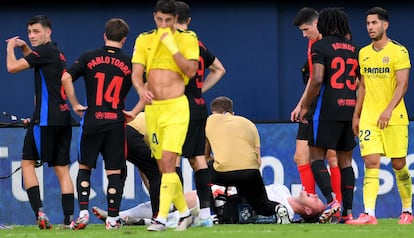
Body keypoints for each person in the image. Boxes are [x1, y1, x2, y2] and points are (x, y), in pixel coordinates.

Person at [61, 18, 139, 230]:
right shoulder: (130, 63)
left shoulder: (89, 57)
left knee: (85, 167)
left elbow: (66, 77)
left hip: (93, 120)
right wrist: (134, 111)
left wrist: (75, 103)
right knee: (114, 172)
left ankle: (84, 212)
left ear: (104, 36)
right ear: (124, 39)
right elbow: (147, 88)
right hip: (115, 122)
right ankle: (112, 218)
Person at [131, 0, 199, 232]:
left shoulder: (186, 38)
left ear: (174, 19)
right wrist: (140, 90)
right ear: (154, 17)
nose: (163, 24)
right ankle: (184, 212)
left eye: (168, 20)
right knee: (163, 167)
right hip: (153, 111)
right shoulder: (144, 39)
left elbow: (191, 70)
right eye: (159, 19)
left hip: (176, 108)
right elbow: (136, 73)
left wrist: (172, 47)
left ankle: (160, 217)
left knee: (170, 161)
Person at [5, 15, 75, 229]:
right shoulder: (55, 52)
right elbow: (37, 63)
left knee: (27, 164)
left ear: (48, 31)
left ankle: (40, 213)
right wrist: (26, 47)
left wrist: (10, 48)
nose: (32, 36)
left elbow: (13, 67)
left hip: (45, 120)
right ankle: (68, 220)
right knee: (62, 169)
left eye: (36, 31)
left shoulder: (44, 52)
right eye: (29, 32)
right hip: (63, 118)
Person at [347, 7, 413, 225]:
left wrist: (388, 109)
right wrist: (356, 115)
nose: (370, 27)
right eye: (367, 24)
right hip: (369, 117)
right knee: (371, 162)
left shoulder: (399, 52)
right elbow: (363, 87)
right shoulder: (363, 53)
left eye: (374, 23)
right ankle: (368, 213)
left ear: (385, 25)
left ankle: (407, 211)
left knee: (398, 164)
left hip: (394, 117)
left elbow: (403, 84)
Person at [298, 7, 358, 224]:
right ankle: (348, 213)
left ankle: (333, 201)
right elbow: (359, 84)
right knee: (345, 161)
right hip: (349, 107)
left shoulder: (320, 46)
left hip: (326, 109)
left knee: (315, 156)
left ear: (324, 23)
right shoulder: (353, 48)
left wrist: (305, 106)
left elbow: (316, 79)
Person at [173, 1, 226, 228]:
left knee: (173, 157)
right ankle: (205, 213)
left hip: (177, 106)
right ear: (189, 20)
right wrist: (200, 90)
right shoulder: (199, 44)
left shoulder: (173, 44)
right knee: (198, 158)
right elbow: (220, 69)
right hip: (197, 106)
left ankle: (181, 212)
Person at [205, 96, 291, 224]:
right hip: (251, 172)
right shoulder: (248, 123)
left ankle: (212, 215)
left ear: (213, 112)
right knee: (262, 204)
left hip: (223, 173)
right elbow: (258, 160)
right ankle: (278, 208)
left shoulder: (209, 121)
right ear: (232, 113)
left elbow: (204, 157)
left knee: (201, 173)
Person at [92, 182, 326, 226]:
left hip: (225, 207)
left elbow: (252, 206)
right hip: (225, 194)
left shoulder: (283, 214)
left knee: (176, 218)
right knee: (176, 202)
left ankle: (122, 218)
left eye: (316, 200)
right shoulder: (284, 189)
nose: (313, 194)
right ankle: (121, 215)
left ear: (307, 210)